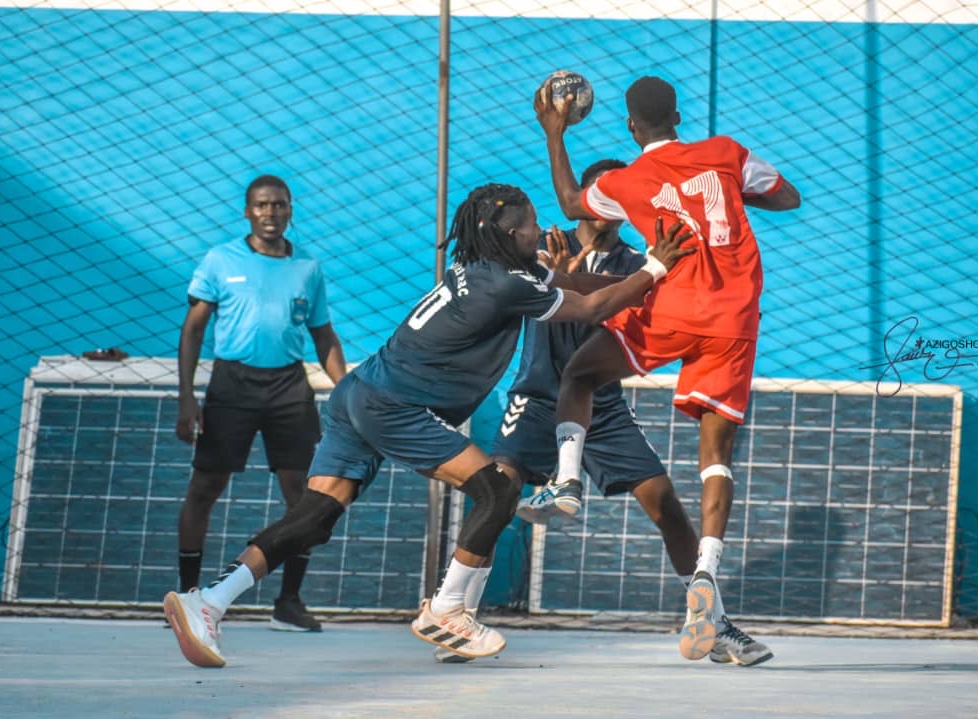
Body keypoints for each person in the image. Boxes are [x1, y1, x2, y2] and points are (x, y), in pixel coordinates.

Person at [163, 182, 697, 667]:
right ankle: (447, 610)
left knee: (316, 516)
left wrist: (649, 280)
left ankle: (208, 601)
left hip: (358, 392)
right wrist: (654, 268)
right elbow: (591, 306)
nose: (541, 231)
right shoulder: (505, 286)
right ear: (509, 233)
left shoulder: (485, 268)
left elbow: (575, 281)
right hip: (393, 406)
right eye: (532, 224)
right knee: (496, 491)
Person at [431, 159, 772, 667]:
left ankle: (714, 624)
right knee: (498, 495)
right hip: (538, 396)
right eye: (599, 194)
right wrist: (563, 276)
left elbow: (631, 318)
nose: (608, 206)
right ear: (588, 199)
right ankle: (458, 617)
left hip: (603, 404)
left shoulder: (641, 261)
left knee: (665, 504)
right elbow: (536, 297)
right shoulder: (544, 246)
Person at [534, 76, 801, 661]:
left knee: (581, 374)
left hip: (671, 308)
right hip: (733, 317)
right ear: (678, 117)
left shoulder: (627, 181)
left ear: (631, 127)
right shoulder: (725, 154)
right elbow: (788, 198)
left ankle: (568, 479)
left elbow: (572, 203)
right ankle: (706, 571)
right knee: (716, 455)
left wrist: (555, 132)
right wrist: (732, 195)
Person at [174, 174, 347, 633]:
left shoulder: (307, 268)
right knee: (204, 488)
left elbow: (322, 333)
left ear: (291, 210)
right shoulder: (220, 260)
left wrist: (347, 387)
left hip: (288, 387)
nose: (271, 213)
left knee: (305, 497)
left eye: (279, 205)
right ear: (247, 212)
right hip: (232, 385)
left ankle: (288, 602)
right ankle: (188, 597)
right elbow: (193, 329)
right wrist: (187, 398)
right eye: (262, 205)